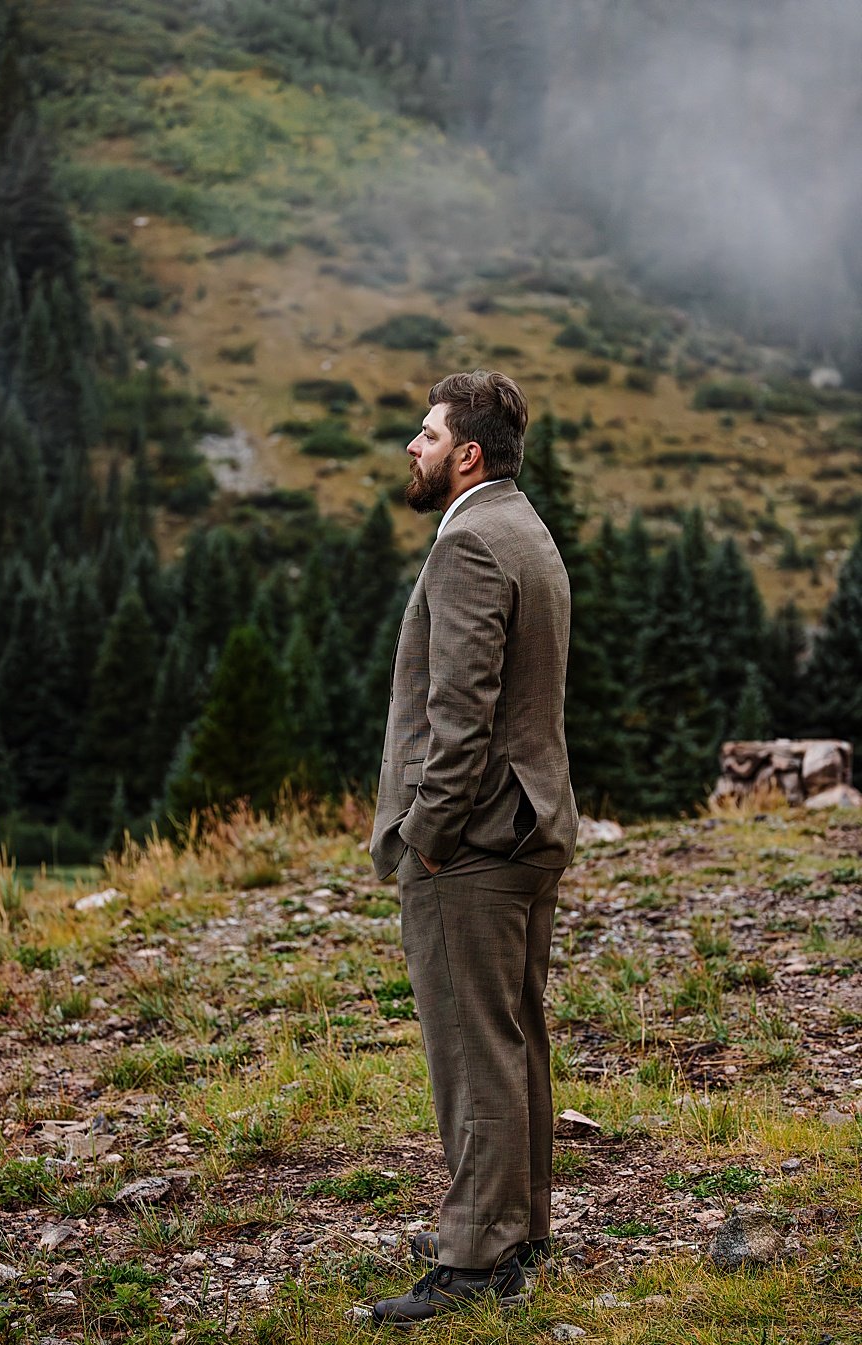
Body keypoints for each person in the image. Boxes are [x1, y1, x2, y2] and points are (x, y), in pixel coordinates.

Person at [366, 370, 577, 1325]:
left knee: (472, 1041)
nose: (412, 447)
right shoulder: (525, 528)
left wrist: (428, 836)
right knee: (516, 1029)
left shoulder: (470, 547)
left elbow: (460, 718)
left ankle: (479, 1257)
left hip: (479, 838)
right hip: (532, 823)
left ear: (468, 455)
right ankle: (517, 1225)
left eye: (426, 433)